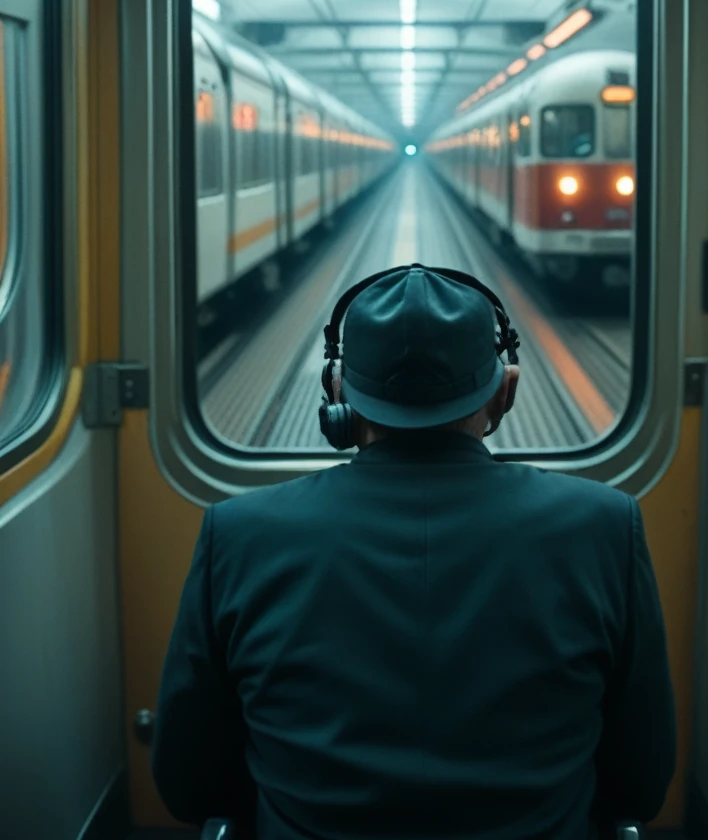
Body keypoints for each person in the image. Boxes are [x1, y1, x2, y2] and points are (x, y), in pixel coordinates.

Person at [152, 264, 675, 840]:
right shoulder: (603, 526)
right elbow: (641, 785)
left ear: (336, 390)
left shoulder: (239, 533)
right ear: (507, 389)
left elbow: (188, 784)